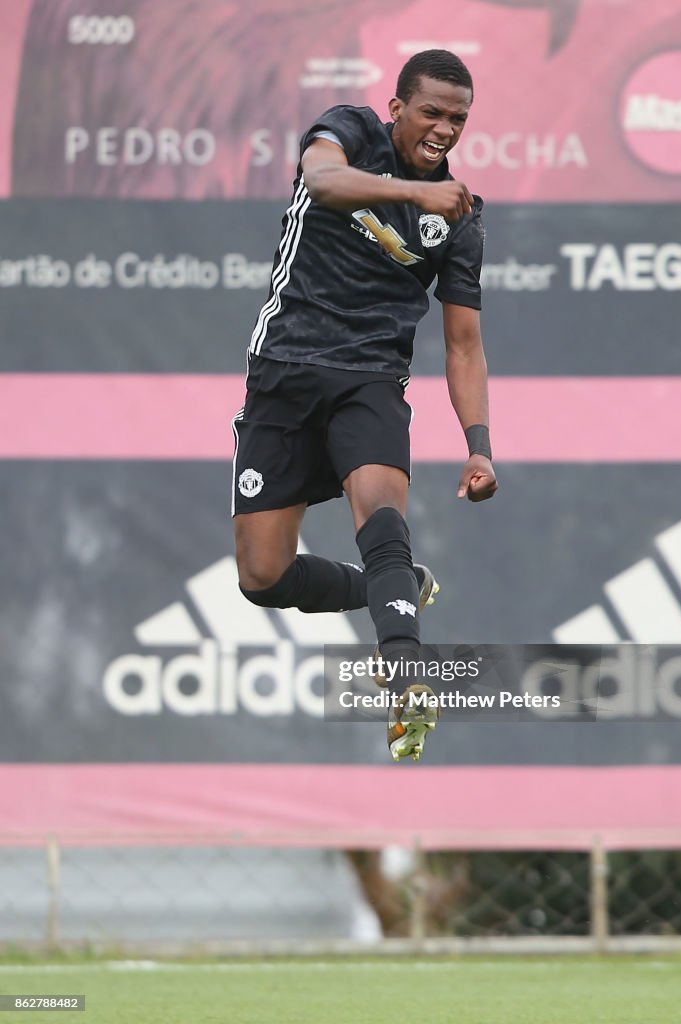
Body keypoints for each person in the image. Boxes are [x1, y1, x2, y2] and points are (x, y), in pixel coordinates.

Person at [232, 48, 497, 761]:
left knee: (380, 509)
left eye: (459, 119)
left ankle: (405, 668)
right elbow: (322, 183)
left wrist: (479, 443)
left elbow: (464, 345)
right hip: (284, 371)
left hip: (370, 378)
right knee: (262, 576)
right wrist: (412, 195)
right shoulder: (348, 131)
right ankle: (395, 587)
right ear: (397, 110)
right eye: (433, 113)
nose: (445, 129)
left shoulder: (461, 219)